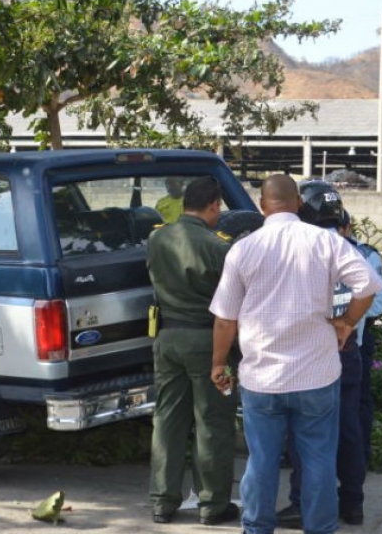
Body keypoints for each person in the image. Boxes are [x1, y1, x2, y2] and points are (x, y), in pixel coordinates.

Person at [210, 174, 382, 534]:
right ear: (299, 204)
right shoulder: (326, 241)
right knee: (318, 459)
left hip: (262, 379)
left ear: (262, 205)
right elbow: (368, 285)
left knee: (262, 462)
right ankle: (320, 528)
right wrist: (347, 321)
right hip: (316, 376)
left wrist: (217, 363)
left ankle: (257, 527)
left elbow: (226, 319)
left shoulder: (243, 248)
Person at [275, 183, 382, 529]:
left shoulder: (299, 251)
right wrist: (347, 322)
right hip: (347, 348)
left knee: (305, 433)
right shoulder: (353, 252)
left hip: (310, 352)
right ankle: (352, 503)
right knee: (348, 429)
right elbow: (376, 297)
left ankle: (302, 504)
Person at [146, 176, 239, 526]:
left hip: (167, 340)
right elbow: (232, 305)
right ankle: (213, 505)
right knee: (213, 421)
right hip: (209, 343)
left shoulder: (156, 238)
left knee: (167, 420)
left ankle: (162, 501)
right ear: (214, 205)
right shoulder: (220, 247)